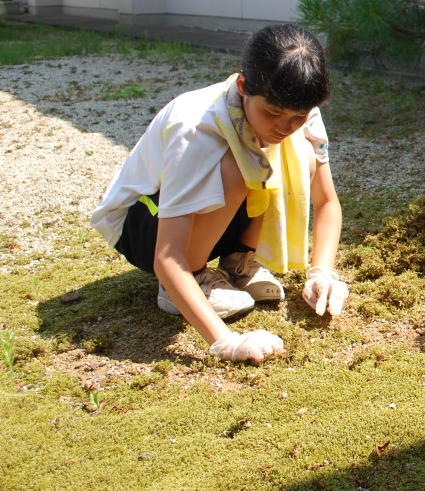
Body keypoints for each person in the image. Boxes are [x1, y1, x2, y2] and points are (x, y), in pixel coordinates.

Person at [91, 24, 349, 364]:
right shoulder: (195, 127)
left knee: (293, 155)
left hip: (206, 217)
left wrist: (323, 272)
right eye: (272, 114)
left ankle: (238, 258)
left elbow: (327, 201)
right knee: (238, 165)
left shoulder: (297, 105)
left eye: (298, 116)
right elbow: (166, 258)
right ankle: (189, 282)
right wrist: (225, 342)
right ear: (243, 86)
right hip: (143, 224)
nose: (285, 126)